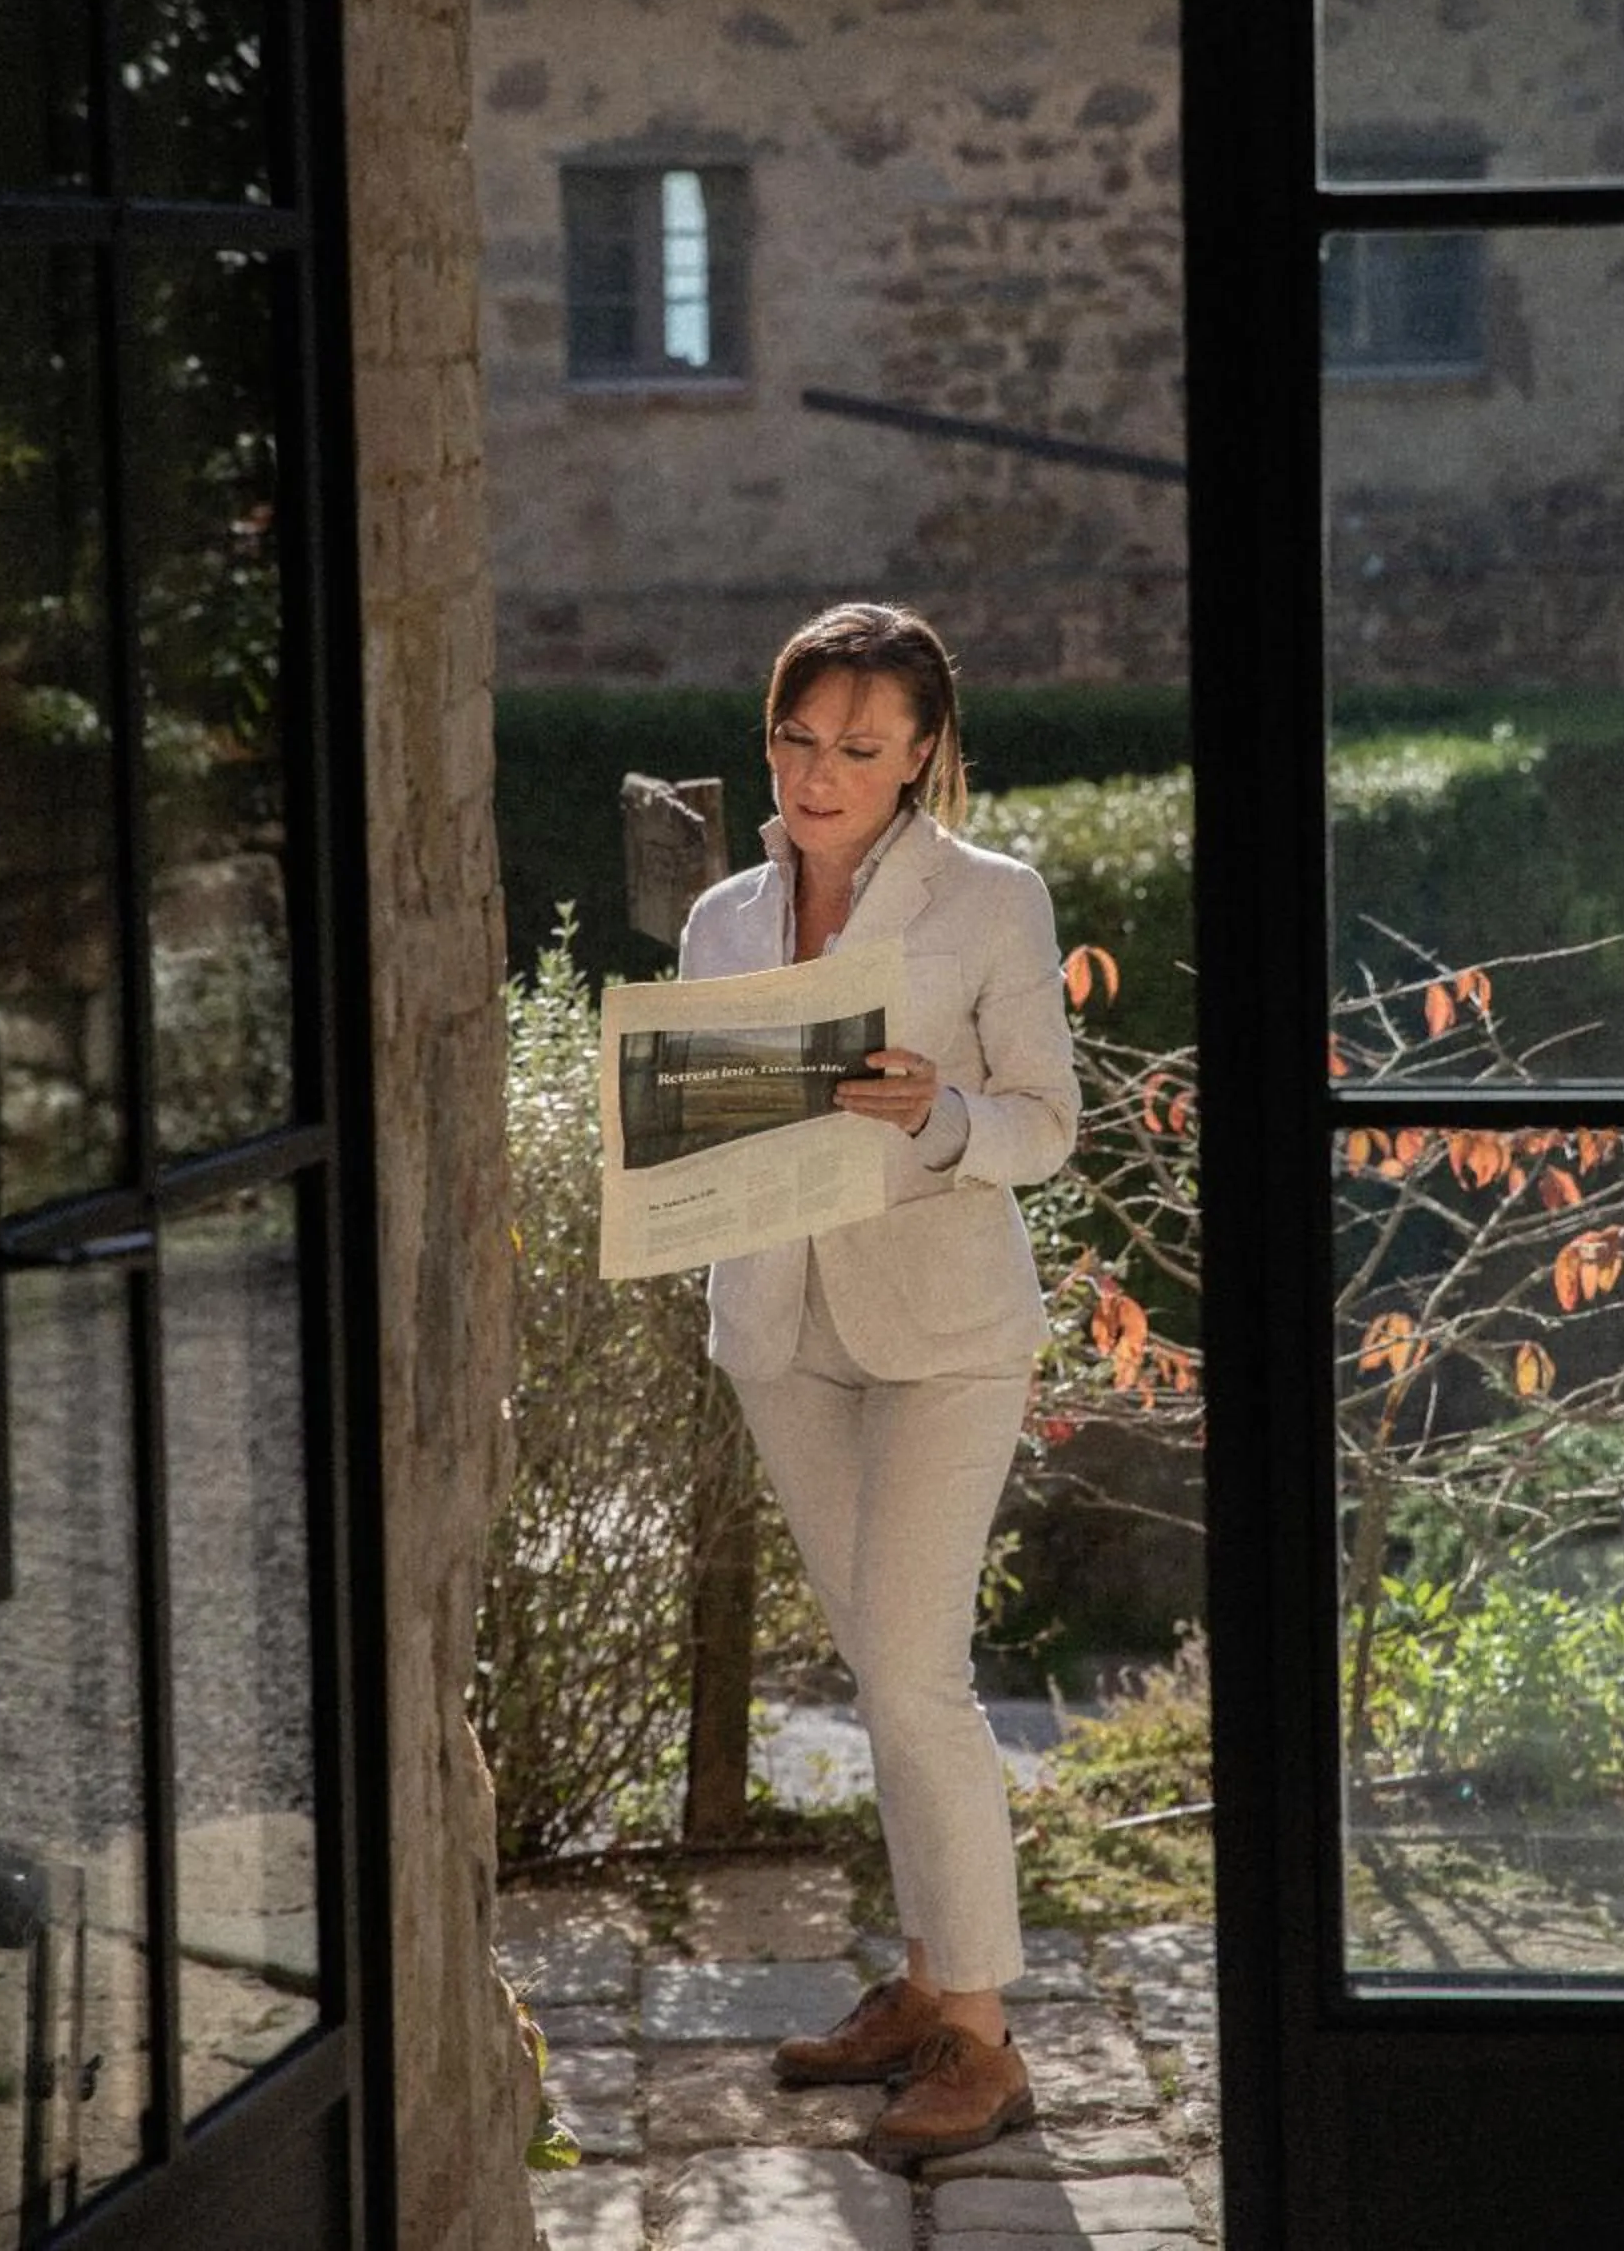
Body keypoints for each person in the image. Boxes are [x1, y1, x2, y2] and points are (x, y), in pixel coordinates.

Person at [677, 600, 1080, 2171]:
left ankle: (979, 2037)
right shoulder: (723, 919)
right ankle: (921, 1986)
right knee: (878, 1671)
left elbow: (1048, 1123)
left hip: (948, 1333)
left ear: (921, 756)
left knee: (914, 1679)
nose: (820, 769)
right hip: (781, 1328)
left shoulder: (991, 901)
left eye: (859, 744)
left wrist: (940, 1115)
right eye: (796, 736)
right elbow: (703, 1126)